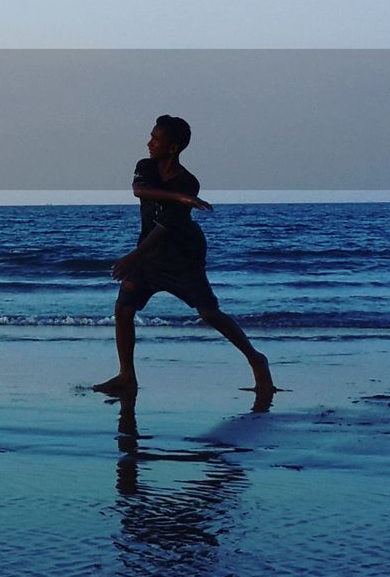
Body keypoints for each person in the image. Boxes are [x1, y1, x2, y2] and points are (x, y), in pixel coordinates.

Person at [93, 115, 275, 398]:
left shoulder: (188, 181)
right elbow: (138, 190)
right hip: (149, 254)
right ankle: (127, 375)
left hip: (182, 255)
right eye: (151, 136)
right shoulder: (146, 167)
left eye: (156, 139)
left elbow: (165, 226)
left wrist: (133, 256)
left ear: (173, 147)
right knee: (124, 307)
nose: (149, 143)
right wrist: (181, 199)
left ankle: (256, 359)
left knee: (208, 312)